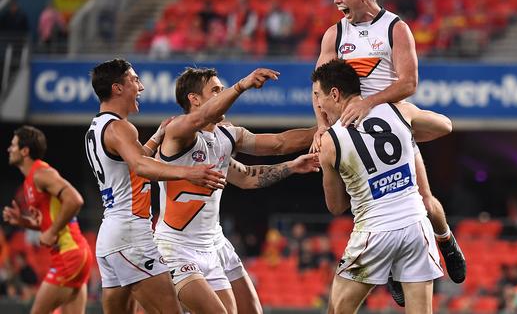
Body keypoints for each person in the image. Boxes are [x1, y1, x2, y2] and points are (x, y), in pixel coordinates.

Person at [312, 0, 466, 304]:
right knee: (369, 204)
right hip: (352, 131)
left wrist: (371, 103)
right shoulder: (334, 34)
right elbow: (318, 86)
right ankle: (397, 270)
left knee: (424, 201)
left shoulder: (395, 28)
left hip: (391, 121)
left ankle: (445, 240)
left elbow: (409, 82)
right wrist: (323, 127)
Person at [155, 66, 317, 314]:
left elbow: (272, 151)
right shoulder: (177, 132)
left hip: (215, 243)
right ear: (194, 99)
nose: (222, 94)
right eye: (216, 90)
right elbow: (199, 119)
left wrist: (325, 134)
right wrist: (242, 85)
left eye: (223, 89)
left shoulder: (226, 136)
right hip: (177, 247)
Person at [312, 58, 453, 313]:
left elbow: (336, 206)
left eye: (318, 96)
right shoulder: (399, 110)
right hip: (416, 226)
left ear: (334, 94)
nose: (318, 105)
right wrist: (406, 129)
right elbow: (445, 125)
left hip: (373, 232)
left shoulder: (330, 142)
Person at [86, 58, 226, 314]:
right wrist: (188, 172)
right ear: (118, 88)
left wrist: (156, 137)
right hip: (131, 235)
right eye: (134, 80)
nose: (140, 87)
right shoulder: (120, 127)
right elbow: (141, 166)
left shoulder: (97, 128)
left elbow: (134, 162)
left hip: (110, 237)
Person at [3, 125, 91, 314]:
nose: (9, 149)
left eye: (13, 145)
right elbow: (50, 222)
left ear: (25, 151)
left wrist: (51, 232)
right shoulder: (30, 181)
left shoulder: (41, 174)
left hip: (69, 255)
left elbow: (75, 200)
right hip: (74, 253)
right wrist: (23, 222)